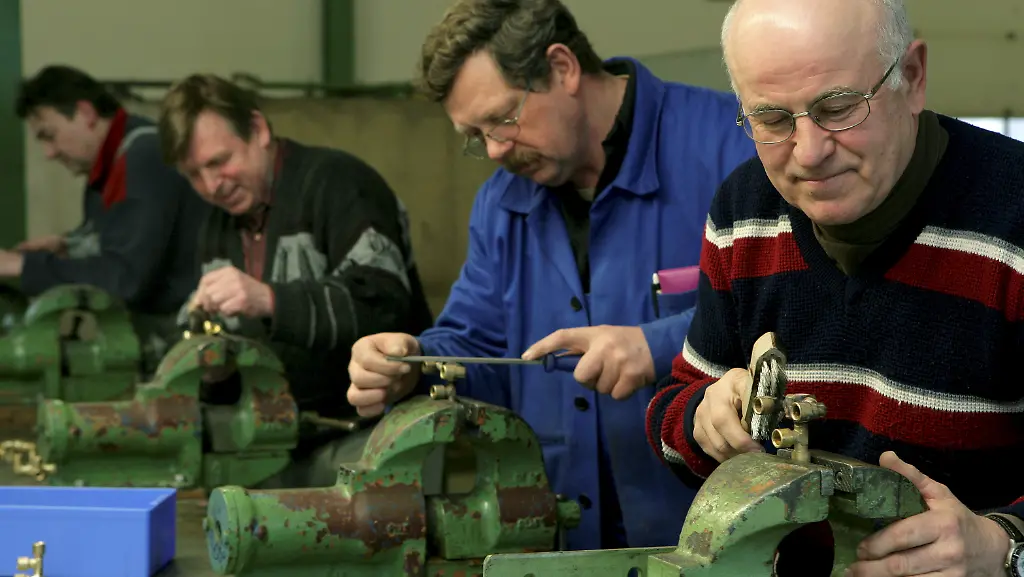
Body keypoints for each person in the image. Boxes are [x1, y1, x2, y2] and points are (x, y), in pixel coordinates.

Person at [346, 0, 756, 551]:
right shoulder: (501, 205)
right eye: (475, 136)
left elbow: (801, 310)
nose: (495, 150)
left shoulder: (736, 147)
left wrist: (658, 345)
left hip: (721, 538)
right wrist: (412, 363)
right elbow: (478, 346)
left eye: (502, 119)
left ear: (562, 68)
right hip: (563, 541)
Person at [646, 0, 1024, 575]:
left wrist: (1003, 545)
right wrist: (704, 420)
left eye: (839, 108)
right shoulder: (743, 212)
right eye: (772, 120)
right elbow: (672, 415)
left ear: (912, 78)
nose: (810, 152)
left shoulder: (1014, 214)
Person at [157, 74, 434, 488]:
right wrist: (213, 371)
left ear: (258, 130)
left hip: (374, 434)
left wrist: (270, 300)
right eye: (193, 174)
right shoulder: (216, 228)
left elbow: (383, 305)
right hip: (278, 442)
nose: (211, 186)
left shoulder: (338, 184)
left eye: (218, 161)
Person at [13, 65, 210, 372]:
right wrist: (68, 246)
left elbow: (124, 278)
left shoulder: (144, 157)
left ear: (86, 113)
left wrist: (24, 266)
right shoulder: (108, 168)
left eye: (49, 136)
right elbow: (117, 239)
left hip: (188, 349)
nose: (49, 153)